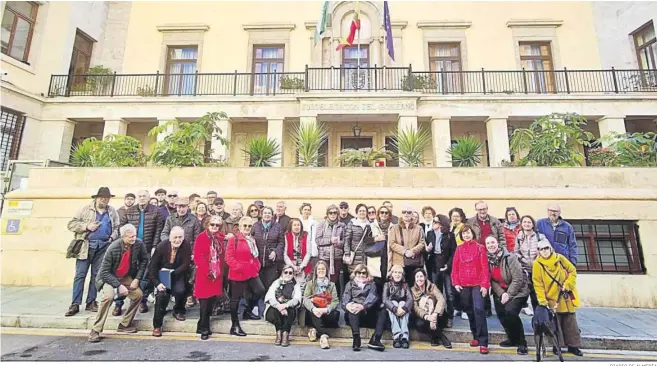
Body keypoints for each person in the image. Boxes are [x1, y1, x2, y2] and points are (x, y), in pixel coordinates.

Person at [88, 224, 148, 343]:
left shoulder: (138, 244)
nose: (133, 239)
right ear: (123, 237)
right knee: (108, 297)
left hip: (125, 276)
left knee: (138, 295)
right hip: (109, 277)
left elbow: (144, 260)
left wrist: (137, 279)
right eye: (130, 237)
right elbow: (104, 272)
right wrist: (119, 286)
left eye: (134, 235)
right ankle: (96, 329)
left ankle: (125, 324)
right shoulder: (113, 247)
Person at [65, 187, 120, 317]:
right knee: (80, 275)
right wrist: (86, 226)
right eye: (102, 198)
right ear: (96, 198)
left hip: (103, 246)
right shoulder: (85, 209)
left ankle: (91, 301)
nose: (104, 200)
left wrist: (112, 237)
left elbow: (117, 227)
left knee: (96, 275)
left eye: (107, 198)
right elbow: (71, 224)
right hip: (86, 246)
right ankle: (75, 303)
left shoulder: (112, 211)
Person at [114, 189, 164, 316]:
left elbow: (158, 229)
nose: (142, 198)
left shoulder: (156, 211)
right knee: (125, 274)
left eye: (144, 196)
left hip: (147, 248)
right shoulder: (129, 211)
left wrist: (154, 246)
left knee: (145, 276)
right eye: (140, 196)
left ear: (148, 198)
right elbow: (122, 228)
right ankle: (119, 303)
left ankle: (142, 301)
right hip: (130, 247)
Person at [533, 240, 584, 357]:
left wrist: (568, 284)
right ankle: (557, 346)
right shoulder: (537, 264)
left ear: (550, 248)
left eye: (546, 248)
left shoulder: (560, 258)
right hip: (551, 298)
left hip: (564, 296)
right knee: (555, 324)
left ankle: (574, 346)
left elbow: (572, 271)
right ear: (538, 251)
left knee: (570, 322)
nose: (544, 251)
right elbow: (538, 284)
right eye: (541, 249)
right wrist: (542, 301)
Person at [485, 235, 530, 355]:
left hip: (518, 290)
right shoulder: (487, 259)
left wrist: (508, 294)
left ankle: (522, 342)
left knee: (511, 312)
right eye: (488, 243)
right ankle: (512, 338)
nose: (491, 245)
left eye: (493, 242)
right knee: (501, 314)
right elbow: (492, 280)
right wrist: (502, 293)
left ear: (498, 243)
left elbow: (518, 279)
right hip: (501, 290)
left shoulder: (510, 257)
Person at [452, 224, 490, 354]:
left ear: (473, 234)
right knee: (469, 310)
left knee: (479, 309)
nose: (466, 235)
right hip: (463, 285)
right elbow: (455, 267)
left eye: (468, 233)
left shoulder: (480, 248)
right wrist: (456, 282)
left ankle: (484, 342)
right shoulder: (459, 249)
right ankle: (476, 337)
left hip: (478, 284)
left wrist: (485, 285)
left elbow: (485, 269)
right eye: (464, 234)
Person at [225, 217, 266, 337]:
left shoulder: (251, 239)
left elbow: (254, 256)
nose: (247, 228)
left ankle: (248, 311)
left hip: (251, 272)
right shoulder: (234, 239)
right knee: (235, 299)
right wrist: (239, 267)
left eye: (249, 226)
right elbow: (228, 258)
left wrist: (257, 266)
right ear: (240, 226)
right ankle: (235, 325)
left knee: (260, 290)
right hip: (238, 273)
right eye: (245, 226)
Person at [150, 226, 192, 337]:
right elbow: (152, 267)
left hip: (177, 273)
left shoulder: (186, 245)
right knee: (161, 295)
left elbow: (185, 264)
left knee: (181, 290)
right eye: (175, 237)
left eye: (180, 237)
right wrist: (157, 283)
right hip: (162, 274)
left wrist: (172, 273)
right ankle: (157, 326)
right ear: (169, 237)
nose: (177, 240)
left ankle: (178, 310)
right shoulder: (161, 246)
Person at [467, 201, 504, 317]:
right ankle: (486, 307)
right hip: (478, 255)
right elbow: (469, 237)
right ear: (476, 210)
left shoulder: (495, 221)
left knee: (496, 279)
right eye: (479, 209)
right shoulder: (471, 222)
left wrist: (502, 252)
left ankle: (500, 307)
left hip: (494, 254)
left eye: (484, 209)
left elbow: (501, 238)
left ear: (487, 209)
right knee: (482, 281)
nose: (482, 211)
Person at [193, 216, 226, 340]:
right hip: (205, 275)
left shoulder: (219, 237)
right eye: (212, 224)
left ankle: (201, 325)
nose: (215, 227)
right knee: (204, 304)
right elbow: (198, 256)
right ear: (207, 225)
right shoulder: (202, 237)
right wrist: (208, 271)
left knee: (211, 302)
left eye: (217, 225)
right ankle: (204, 329)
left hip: (216, 275)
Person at [252, 206, 285, 318]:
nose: (267, 215)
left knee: (270, 286)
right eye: (265, 213)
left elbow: (281, 243)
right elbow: (251, 240)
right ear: (262, 214)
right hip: (257, 262)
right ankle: (256, 307)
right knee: (258, 287)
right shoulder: (255, 226)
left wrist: (276, 252)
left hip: (271, 263)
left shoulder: (277, 227)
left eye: (269, 213)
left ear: (272, 215)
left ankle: (268, 309)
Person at [425, 214, 457, 328]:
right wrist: (427, 250)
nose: (433, 223)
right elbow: (427, 252)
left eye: (436, 221)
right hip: (434, 266)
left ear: (442, 224)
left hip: (446, 267)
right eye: (433, 221)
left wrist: (448, 265)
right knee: (435, 293)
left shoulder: (449, 235)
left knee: (449, 293)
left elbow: (454, 253)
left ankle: (450, 317)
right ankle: (438, 315)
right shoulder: (429, 234)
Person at [515, 215, 550, 314]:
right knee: (523, 294)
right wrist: (522, 259)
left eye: (529, 222)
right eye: (524, 222)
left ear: (533, 224)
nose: (527, 224)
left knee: (537, 296)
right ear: (521, 224)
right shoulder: (519, 237)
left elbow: (548, 250)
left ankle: (540, 320)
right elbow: (515, 252)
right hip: (525, 270)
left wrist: (538, 259)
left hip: (538, 270)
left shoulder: (540, 236)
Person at [411, 268, 452, 349]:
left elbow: (441, 299)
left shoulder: (432, 286)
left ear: (425, 277)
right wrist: (427, 316)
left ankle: (435, 337)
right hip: (424, 315)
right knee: (419, 324)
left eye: (421, 276)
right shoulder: (413, 290)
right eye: (417, 277)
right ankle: (439, 335)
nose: (419, 279)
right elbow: (415, 307)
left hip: (436, 314)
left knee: (442, 317)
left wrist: (434, 314)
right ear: (415, 279)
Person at [303, 260, 340, 349]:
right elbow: (305, 299)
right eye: (319, 269)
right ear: (316, 271)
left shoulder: (332, 285)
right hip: (314, 312)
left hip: (325, 312)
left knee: (335, 314)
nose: (321, 271)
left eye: (323, 269)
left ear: (326, 271)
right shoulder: (310, 284)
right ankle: (323, 335)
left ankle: (314, 330)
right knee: (312, 307)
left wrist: (325, 310)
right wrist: (314, 309)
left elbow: (335, 301)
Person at [342, 264, 379, 352]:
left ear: (367, 274)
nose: (361, 275)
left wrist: (362, 306)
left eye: (363, 273)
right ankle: (356, 338)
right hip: (352, 313)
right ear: (355, 273)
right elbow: (345, 297)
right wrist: (348, 305)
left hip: (365, 312)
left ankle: (356, 339)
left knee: (357, 309)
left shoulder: (372, 285)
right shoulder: (350, 284)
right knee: (352, 310)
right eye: (359, 272)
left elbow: (372, 297)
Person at [264, 264, 302, 347]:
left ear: (293, 274)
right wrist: (279, 307)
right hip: (275, 308)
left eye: (290, 273)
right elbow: (270, 298)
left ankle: (285, 334)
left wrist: (286, 306)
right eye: (286, 272)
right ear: (282, 273)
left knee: (291, 311)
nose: (288, 274)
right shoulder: (276, 283)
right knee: (276, 311)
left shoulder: (296, 285)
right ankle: (278, 333)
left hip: (288, 308)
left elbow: (296, 299)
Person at [387, 206, 425, 286]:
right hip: (399, 262)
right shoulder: (394, 228)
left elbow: (422, 243)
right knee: (399, 285)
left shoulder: (419, 228)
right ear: (401, 214)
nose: (406, 214)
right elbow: (392, 243)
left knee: (413, 284)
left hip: (414, 262)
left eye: (409, 212)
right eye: (404, 212)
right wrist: (405, 251)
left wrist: (413, 251)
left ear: (412, 214)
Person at [315, 205, 347, 293]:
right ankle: (323, 298)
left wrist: (339, 243)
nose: (333, 215)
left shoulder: (342, 225)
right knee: (324, 278)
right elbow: (317, 240)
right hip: (324, 257)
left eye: (335, 213)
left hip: (337, 257)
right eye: (331, 213)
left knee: (335, 280)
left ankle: (335, 299)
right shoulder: (321, 225)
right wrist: (330, 240)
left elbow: (345, 241)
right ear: (327, 214)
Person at [382, 264, 413, 349]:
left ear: (402, 275)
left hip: (403, 310)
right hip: (392, 311)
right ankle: (397, 336)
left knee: (403, 303)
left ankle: (404, 337)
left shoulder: (405, 285)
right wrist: (395, 309)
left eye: (400, 272)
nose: (397, 274)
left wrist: (404, 308)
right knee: (394, 302)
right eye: (395, 272)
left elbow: (410, 299)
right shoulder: (387, 285)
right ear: (391, 274)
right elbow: (385, 300)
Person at [344, 204, 373, 274]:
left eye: (364, 211)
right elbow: (347, 240)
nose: (362, 212)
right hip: (355, 257)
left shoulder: (371, 225)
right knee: (355, 275)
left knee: (365, 276)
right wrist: (347, 254)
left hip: (367, 257)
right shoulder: (352, 224)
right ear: (357, 212)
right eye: (360, 211)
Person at [284, 218, 312, 286]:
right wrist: (292, 266)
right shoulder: (286, 236)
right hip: (290, 266)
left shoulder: (306, 235)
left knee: (301, 286)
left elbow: (308, 253)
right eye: (294, 225)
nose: (297, 227)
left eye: (298, 225)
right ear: (291, 226)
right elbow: (284, 254)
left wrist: (301, 266)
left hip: (303, 266)